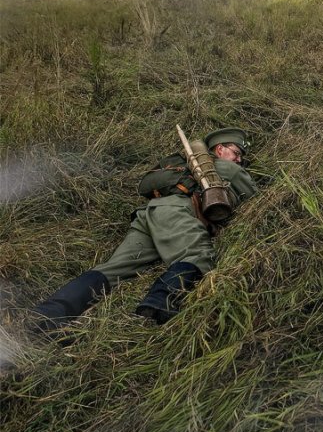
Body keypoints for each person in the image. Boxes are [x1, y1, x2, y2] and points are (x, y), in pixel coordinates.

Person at [30, 128, 259, 336]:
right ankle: (159, 305)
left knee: (112, 270)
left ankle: (49, 313)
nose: (240, 160)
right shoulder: (228, 168)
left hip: (149, 214)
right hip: (176, 213)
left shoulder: (180, 165)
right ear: (220, 149)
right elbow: (258, 201)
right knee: (198, 257)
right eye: (236, 153)